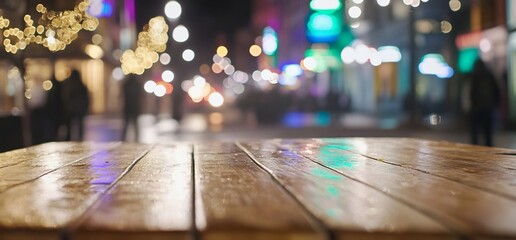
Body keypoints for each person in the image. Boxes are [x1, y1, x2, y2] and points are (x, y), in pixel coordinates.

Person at [469, 58, 500, 146]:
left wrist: (472, 105)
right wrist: (496, 104)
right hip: (488, 108)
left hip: (477, 108)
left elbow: (471, 93)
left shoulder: (474, 75)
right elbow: (496, 90)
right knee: (488, 134)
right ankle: (488, 151)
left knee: (475, 134)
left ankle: (475, 151)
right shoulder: (489, 74)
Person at [61, 69, 90, 141]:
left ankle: (69, 140)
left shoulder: (69, 84)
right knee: (79, 126)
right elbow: (85, 98)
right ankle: (79, 139)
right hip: (79, 108)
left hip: (70, 109)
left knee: (69, 126)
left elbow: (65, 97)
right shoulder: (81, 85)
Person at [121, 74, 142, 142]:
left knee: (126, 124)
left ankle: (123, 138)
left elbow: (122, 95)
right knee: (135, 123)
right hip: (135, 107)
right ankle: (137, 138)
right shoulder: (137, 84)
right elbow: (141, 96)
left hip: (128, 107)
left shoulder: (126, 84)